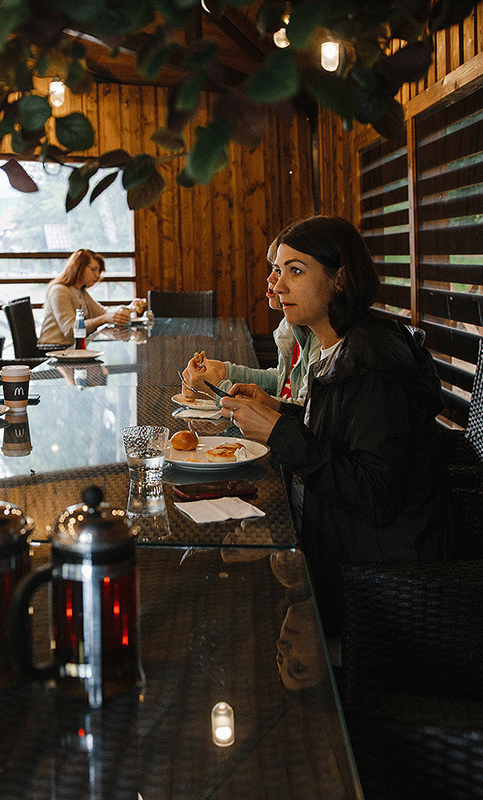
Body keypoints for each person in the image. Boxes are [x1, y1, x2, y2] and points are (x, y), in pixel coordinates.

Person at [219, 216, 448, 635]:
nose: (279, 285)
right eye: (279, 270)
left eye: (296, 271)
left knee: (230, 601)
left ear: (339, 280)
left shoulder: (370, 364)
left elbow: (377, 494)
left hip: (370, 580)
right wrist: (280, 412)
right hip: (329, 538)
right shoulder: (339, 344)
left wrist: (278, 431)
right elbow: (339, 436)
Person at [182, 242, 320, 404]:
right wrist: (227, 371)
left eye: (293, 271)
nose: (272, 279)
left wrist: (217, 389)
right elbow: (285, 380)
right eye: (276, 269)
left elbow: (303, 414)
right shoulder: (292, 326)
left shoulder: (319, 334)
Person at [38, 249, 145, 347]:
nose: (97, 275)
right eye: (93, 270)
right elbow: (70, 330)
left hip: (73, 349)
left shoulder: (80, 291)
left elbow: (104, 313)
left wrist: (131, 308)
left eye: (99, 272)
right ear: (78, 267)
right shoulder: (59, 290)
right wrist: (103, 319)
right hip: (54, 350)